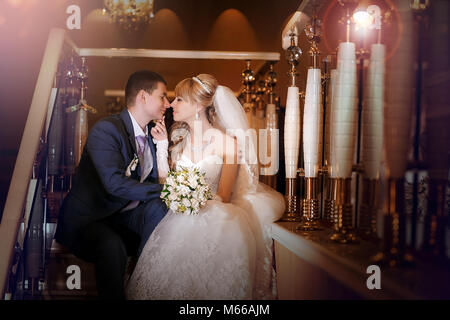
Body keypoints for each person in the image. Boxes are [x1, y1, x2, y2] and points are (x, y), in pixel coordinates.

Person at [125, 74, 285, 299]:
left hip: (216, 215)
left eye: (179, 99)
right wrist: (161, 146)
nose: (172, 104)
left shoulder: (228, 144)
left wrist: (195, 200)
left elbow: (224, 196)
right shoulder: (179, 138)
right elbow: (166, 184)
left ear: (199, 106)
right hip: (178, 215)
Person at [54, 70, 171, 300]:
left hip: (121, 217)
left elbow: (148, 182)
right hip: (90, 220)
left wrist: (161, 147)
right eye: (163, 96)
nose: (167, 103)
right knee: (111, 246)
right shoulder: (107, 130)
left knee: (160, 210)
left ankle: (147, 282)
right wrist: (168, 190)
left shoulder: (150, 135)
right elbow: (114, 184)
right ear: (143, 97)